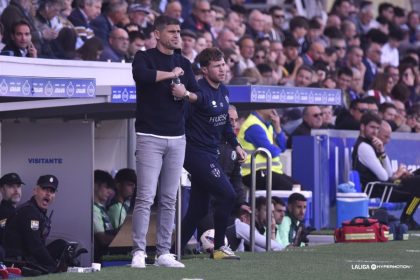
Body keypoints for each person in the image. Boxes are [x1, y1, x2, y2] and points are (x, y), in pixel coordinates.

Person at [131, 15, 200, 269]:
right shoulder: (144, 57)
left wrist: (186, 94)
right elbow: (142, 76)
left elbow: (197, 94)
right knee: (146, 197)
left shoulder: (184, 62)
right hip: (150, 136)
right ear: (157, 34)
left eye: (178, 31)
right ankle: (138, 251)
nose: (176, 35)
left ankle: (163, 253)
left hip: (177, 138)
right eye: (171, 31)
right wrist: (171, 74)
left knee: (170, 198)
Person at [180, 47, 246, 261]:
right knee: (227, 194)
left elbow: (226, 123)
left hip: (211, 152)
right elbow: (182, 121)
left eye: (223, 65)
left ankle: (173, 251)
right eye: (217, 66)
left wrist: (236, 145)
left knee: (198, 209)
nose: (222, 69)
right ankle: (219, 248)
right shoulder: (197, 91)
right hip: (194, 152)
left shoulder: (224, 91)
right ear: (204, 69)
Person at [353, 115, 420, 230]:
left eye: (377, 128)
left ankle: (408, 218)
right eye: (372, 127)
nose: (374, 131)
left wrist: (382, 152)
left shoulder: (371, 146)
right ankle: (407, 218)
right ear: (363, 127)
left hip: (384, 187)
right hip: (377, 190)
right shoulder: (364, 147)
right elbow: (385, 177)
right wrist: (397, 174)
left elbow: (388, 174)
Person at [3, 175, 71, 274]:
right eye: (44, 189)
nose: (48, 194)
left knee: (61, 245)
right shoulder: (29, 212)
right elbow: (35, 246)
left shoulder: (38, 211)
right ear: (35, 191)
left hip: (29, 259)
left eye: (51, 191)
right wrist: (54, 268)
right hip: (18, 263)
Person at [239, 109, 298, 191]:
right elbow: (271, 152)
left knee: (298, 187)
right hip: (252, 173)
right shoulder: (253, 126)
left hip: (270, 171)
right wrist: (276, 147)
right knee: (291, 189)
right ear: (260, 108)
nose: (273, 109)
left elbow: (283, 147)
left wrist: (277, 127)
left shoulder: (268, 125)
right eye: (269, 106)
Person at [93, 170, 116, 262]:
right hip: (100, 259)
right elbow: (102, 239)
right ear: (94, 185)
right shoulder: (93, 209)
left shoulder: (101, 208)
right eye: (106, 187)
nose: (110, 192)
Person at [0, 172, 24, 259]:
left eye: (18, 186)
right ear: (2, 190)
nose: (16, 190)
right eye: (11, 186)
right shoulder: (5, 213)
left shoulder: (17, 212)